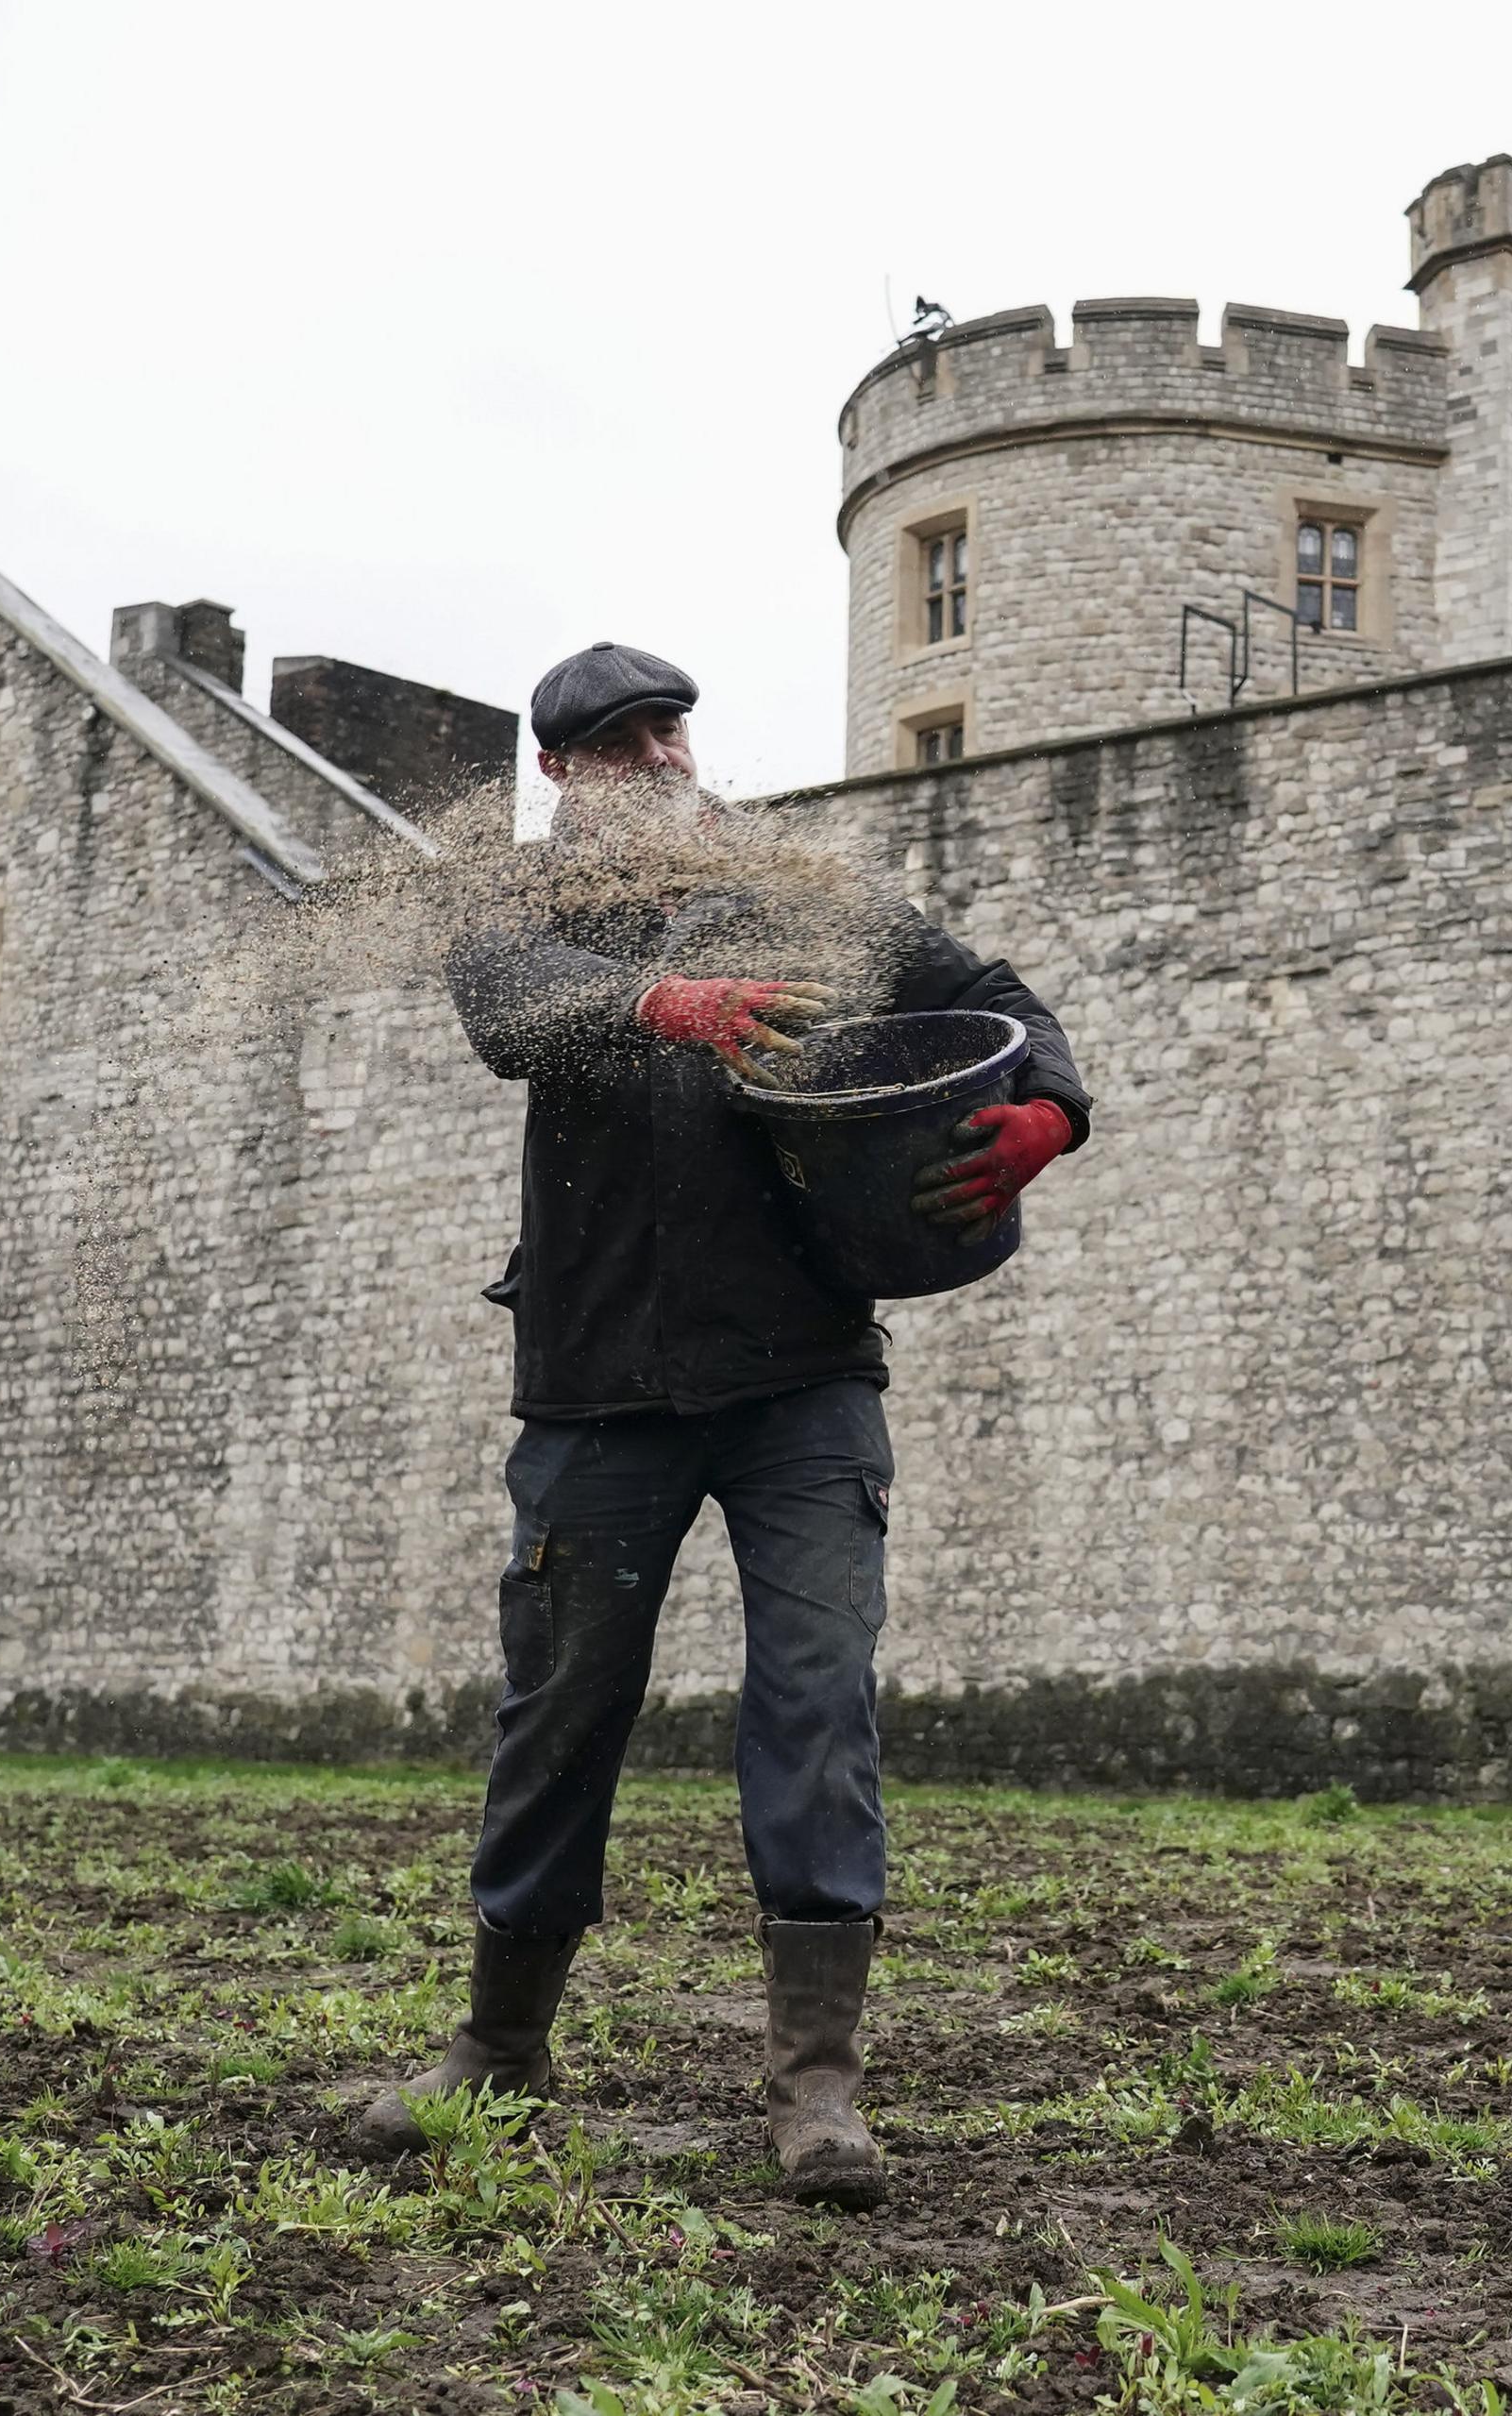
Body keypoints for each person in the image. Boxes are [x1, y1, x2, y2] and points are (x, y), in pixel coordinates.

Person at [350, 642, 1092, 2205]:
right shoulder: (516, 908)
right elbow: (514, 1014)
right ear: (563, 773)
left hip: (804, 1377)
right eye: (619, 742)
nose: (658, 757)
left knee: (817, 1702)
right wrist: (656, 999)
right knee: (562, 1712)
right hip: (597, 1386)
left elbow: (992, 993)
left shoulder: (785, 884)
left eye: (668, 729)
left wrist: (1049, 1107)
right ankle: (500, 2051)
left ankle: (818, 2082)